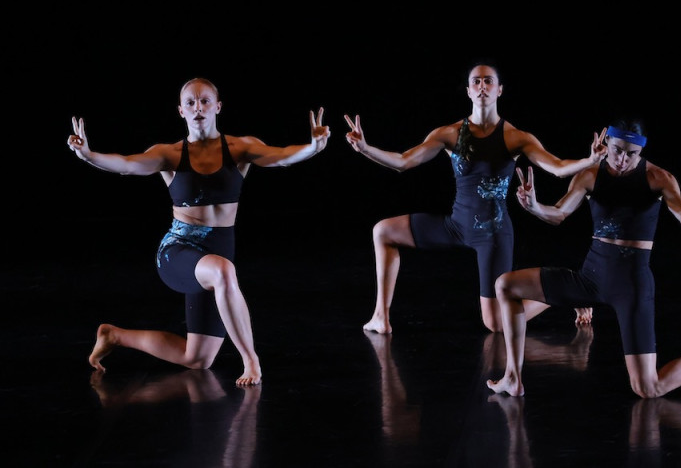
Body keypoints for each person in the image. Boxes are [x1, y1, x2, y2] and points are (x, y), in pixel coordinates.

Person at [68, 77, 330, 386]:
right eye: (190, 103)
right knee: (223, 271)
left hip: (218, 255)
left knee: (198, 359)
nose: (198, 108)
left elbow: (281, 157)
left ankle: (114, 335)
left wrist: (313, 147)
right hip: (178, 250)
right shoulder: (169, 153)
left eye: (204, 101)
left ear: (217, 107)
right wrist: (89, 155)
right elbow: (126, 164)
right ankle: (251, 361)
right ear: (181, 111)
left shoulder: (239, 147)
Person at [487, 119, 681, 398]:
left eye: (631, 153)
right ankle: (513, 378)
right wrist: (534, 207)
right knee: (506, 285)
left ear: (641, 152)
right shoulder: (590, 175)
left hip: (631, 287)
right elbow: (559, 213)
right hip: (590, 279)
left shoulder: (658, 178)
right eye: (616, 150)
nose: (622, 159)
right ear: (605, 144)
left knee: (648, 388)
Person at [344, 63, 607, 334]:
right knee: (383, 231)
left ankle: (565, 294)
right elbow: (403, 162)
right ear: (469, 91)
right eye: (477, 81)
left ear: (499, 90)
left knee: (494, 324)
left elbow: (558, 167)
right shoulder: (449, 133)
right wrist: (365, 148)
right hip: (456, 225)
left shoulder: (516, 137)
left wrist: (590, 160)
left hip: (492, 233)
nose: (482, 86)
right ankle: (380, 317)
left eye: (489, 81)